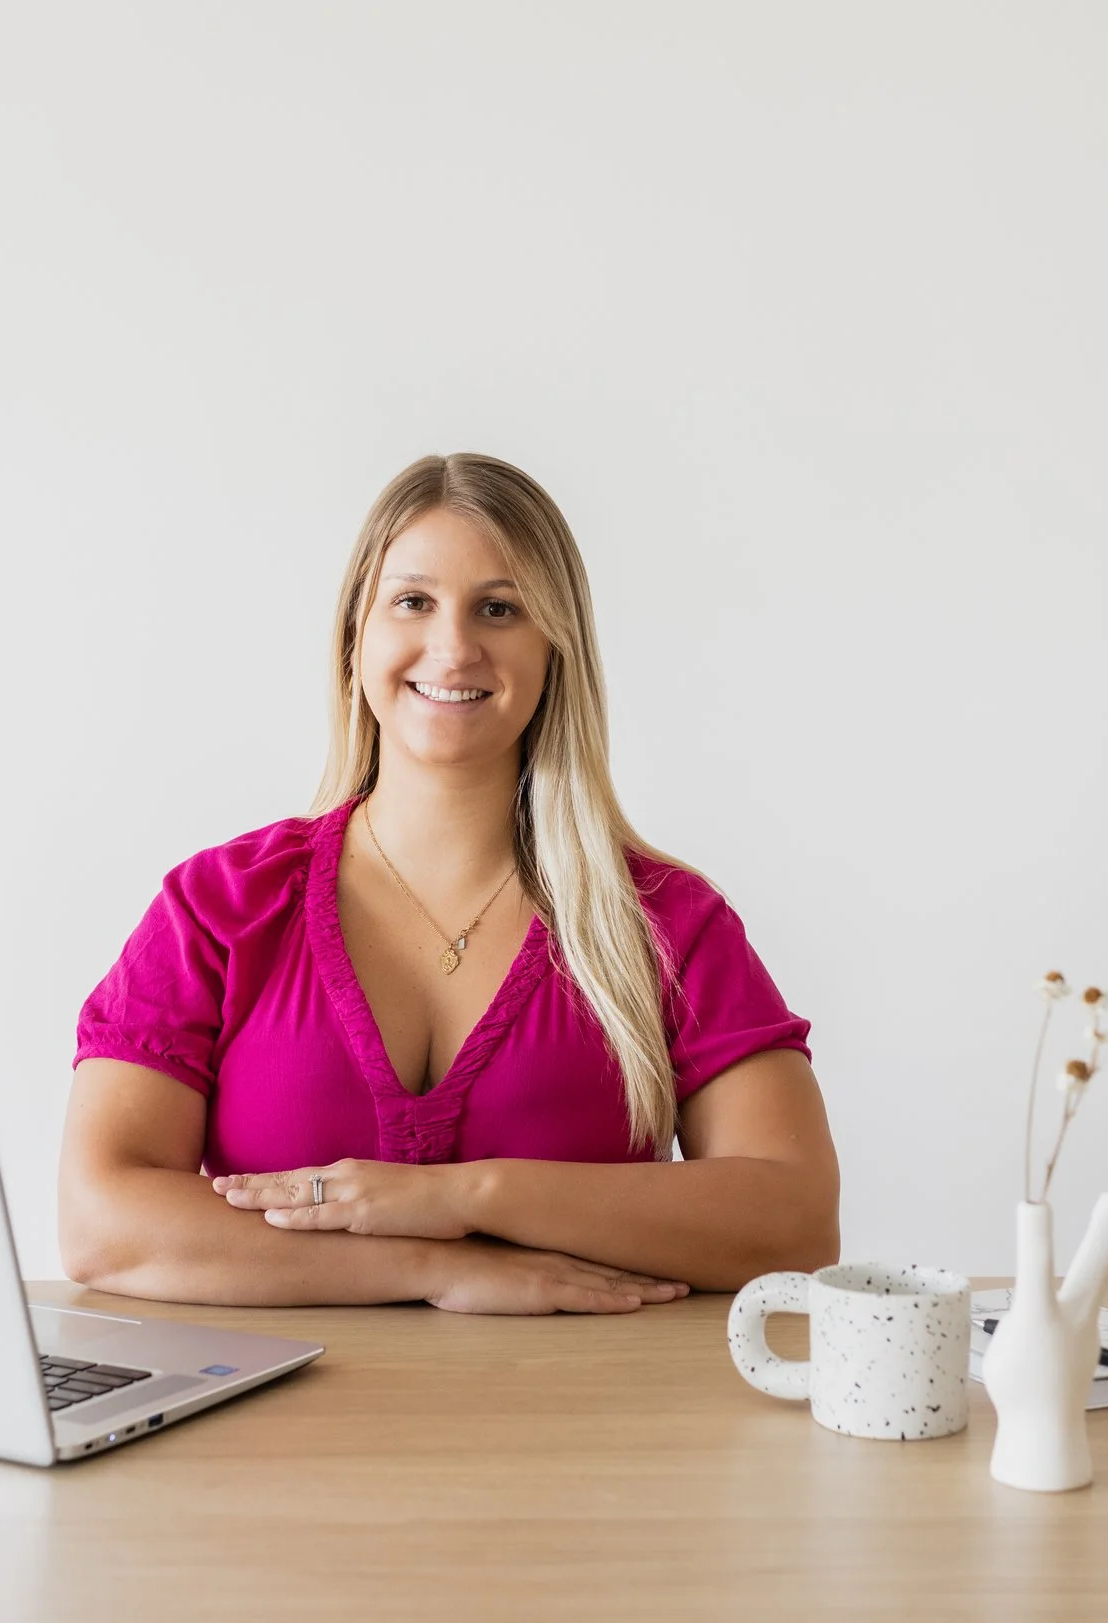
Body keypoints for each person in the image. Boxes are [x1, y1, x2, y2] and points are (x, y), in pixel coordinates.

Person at [60, 452, 840, 1315]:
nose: (454, 646)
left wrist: (464, 1198)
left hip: (591, 1434)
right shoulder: (216, 906)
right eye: (413, 601)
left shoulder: (667, 922)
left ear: (555, 649)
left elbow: (794, 1220)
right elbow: (101, 1222)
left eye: (499, 608)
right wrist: (437, 1267)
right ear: (358, 634)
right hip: (272, 1438)